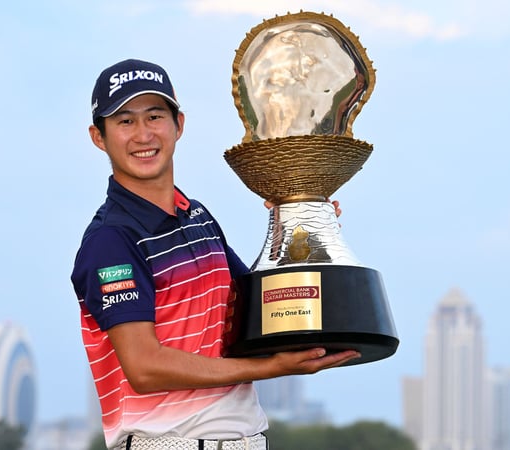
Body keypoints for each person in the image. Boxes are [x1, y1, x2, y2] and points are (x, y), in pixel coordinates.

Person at [70, 58, 361, 450]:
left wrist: (300, 227)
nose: (143, 134)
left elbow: (258, 308)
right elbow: (145, 367)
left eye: (155, 116)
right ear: (98, 137)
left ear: (179, 125)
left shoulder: (197, 217)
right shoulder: (111, 240)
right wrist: (269, 368)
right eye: (124, 121)